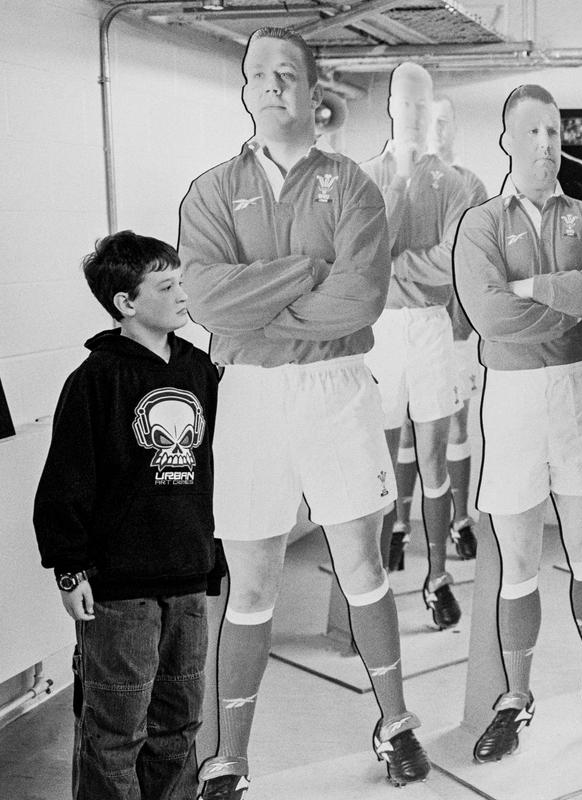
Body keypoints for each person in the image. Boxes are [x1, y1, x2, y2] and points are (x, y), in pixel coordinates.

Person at [179, 28, 429, 797]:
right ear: (245, 88)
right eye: (259, 73)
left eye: (288, 72)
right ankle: (230, 756)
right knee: (250, 586)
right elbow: (206, 299)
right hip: (251, 394)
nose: (273, 84)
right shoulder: (213, 190)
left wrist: (257, 308)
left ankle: (395, 723)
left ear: (314, 88)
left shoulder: (351, 185)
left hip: (338, 387)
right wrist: (301, 274)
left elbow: (361, 298)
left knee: (361, 566)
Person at [453, 84, 582, 764]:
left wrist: (529, 289)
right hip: (513, 396)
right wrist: (564, 299)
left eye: (553, 131)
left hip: (578, 390)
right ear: (506, 139)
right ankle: (516, 697)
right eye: (530, 131)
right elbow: (490, 317)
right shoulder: (480, 224)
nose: (544, 144)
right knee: (520, 556)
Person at [33, 231, 222, 800]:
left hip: (187, 582)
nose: (184, 294)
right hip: (119, 594)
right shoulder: (95, 380)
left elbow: (208, 471)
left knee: (178, 729)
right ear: (126, 302)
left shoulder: (200, 371)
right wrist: (70, 569)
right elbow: (65, 483)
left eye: (181, 280)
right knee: (114, 735)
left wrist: (208, 555)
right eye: (167, 286)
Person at [359, 64, 472, 627]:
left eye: (422, 106)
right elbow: (358, 257)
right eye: (405, 105)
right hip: (379, 332)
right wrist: (394, 264)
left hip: (429, 327)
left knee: (433, 458)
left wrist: (390, 268)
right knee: (377, 459)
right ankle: (375, 579)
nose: (414, 115)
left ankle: (437, 576)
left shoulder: (452, 182)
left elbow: (451, 261)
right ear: (390, 108)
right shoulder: (363, 175)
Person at [430, 95, 489, 557]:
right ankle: (400, 529)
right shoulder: (397, 183)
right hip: (406, 329)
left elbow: (482, 261)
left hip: (456, 330)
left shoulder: (471, 186)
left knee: (456, 426)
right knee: (411, 430)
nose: (436, 130)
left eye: (444, 122)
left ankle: (460, 520)